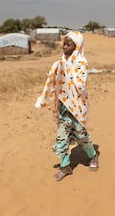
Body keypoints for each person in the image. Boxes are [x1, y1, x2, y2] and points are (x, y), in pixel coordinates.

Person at [35, 31, 99, 181]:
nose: (64, 46)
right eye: (64, 43)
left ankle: (93, 156)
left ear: (76, 46)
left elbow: (80, 84)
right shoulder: (59, 63)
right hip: (64, 107)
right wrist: (43, 97)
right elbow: (51, 80)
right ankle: (66, 167)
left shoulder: (82, 62)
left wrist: (68, 76)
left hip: (77, 106)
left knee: (81, 135)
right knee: (61, 137)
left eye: (68, 44)